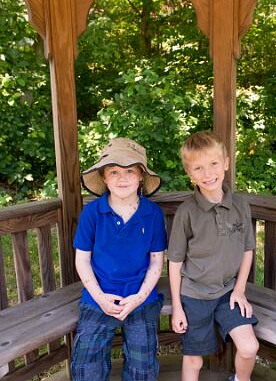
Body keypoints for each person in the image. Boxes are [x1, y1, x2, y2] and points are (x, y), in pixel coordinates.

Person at [71, 138, 167, 381]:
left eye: (130, 171)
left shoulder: (152, 214)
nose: (122, 178)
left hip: (140, 297)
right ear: (103, 177)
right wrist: (100, 297)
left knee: (143, 368)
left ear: (141, 176)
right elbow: (82, 260)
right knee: (86, 364)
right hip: (99, 295)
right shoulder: (92, 212)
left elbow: (157, 261)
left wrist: (139, 298)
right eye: (114, 171)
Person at [167, 131, 259, 381]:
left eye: (214, 164)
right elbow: (174, 263)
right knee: (194, 360)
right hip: (194, 296)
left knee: (249, 348)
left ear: (226, 163)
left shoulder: (240, 204)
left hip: (228, 292)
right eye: (198, 168)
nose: (208, 173)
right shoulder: (187, 212)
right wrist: (177, 308)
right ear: (189, 173)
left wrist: (239, 290)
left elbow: (247, 249)